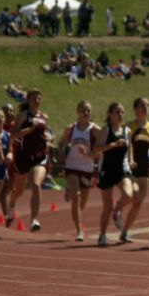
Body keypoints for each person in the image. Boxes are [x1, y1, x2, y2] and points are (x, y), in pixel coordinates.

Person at [7, 89, 52, 232]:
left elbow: (46, 132)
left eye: (39, 98)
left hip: (39, 155)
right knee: (19, 190)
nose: (37, 101)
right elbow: (13, 135)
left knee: (36, 184)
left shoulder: (44, 117)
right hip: (23, 155)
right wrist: (29, 129)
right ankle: (11, 205)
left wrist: (49, 137)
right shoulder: (23, 115)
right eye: (34, 98)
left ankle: (34, 220)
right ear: (28, 100)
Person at [93, 103, 136, 247]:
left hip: (122, 169)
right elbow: (97, 149)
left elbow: (130, 146)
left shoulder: (127, 131)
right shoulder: (106, 130)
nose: (121, 115)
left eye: (123, 112)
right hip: (106, 170)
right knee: (106, 207)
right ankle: (102, 235)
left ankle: (117, 211)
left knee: (129, 195)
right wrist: (113, 144)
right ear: (110, 114)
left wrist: (131, 160)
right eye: (117, 112)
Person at [120, 97, 149, 243]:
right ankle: (118, 209)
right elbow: (123, 147)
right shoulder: (128, 126)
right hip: (130, 167)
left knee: (138, 204)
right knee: (134, 196)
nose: (145, 108)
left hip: (144, 169)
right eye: (142, 105)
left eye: (147, 105)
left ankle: (124, 232)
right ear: (135, 109)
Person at [58, 101, 98, 241]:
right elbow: (61, 143)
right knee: (77, 196)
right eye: (83, 110)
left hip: (87, 168)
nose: (86, 113)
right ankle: (79, 230)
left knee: (81, 204)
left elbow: (101, 149)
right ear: (78, 112)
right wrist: (61, 151)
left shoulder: (95, 130)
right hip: (72, 166)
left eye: (88, 110)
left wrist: (90, 153)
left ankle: (70, 190)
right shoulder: (71, 128)